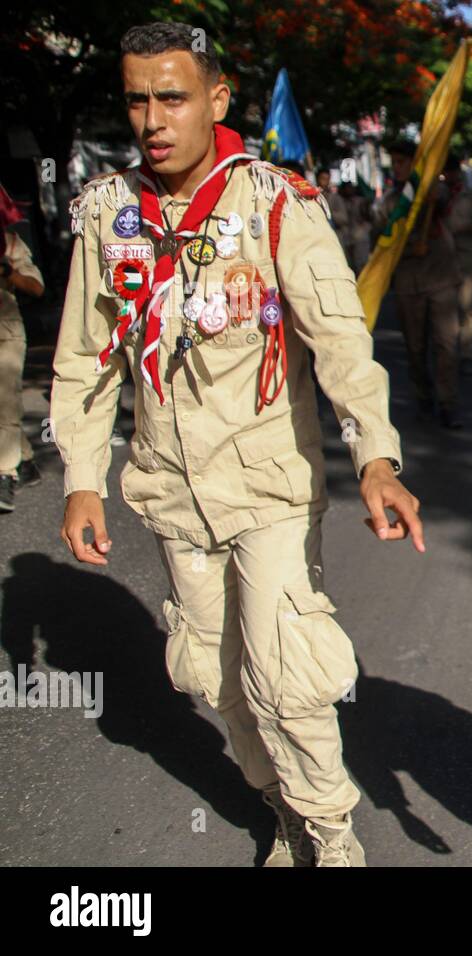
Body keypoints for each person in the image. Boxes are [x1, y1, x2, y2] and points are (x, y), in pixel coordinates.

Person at [52, 21, 425, 867]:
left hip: (268, 487)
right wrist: (83, 478)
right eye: (138, 99)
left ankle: (331, 840)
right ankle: (283, 811)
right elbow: (83, 360)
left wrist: (375, 457)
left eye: (172, 96)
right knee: (214, 677)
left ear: (216, 99)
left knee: (287, 675)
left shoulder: (273, 202)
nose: (153, 118)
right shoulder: (109, 216)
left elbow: (340, 341)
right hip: (171, 490)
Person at [384, 140, 463, 427]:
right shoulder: (390, 203)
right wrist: (407, 249)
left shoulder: (432, 191)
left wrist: (429, 191)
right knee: (415, 349)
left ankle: (448, 403)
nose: (398, 167)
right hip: (409, 284)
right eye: (394, 162)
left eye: (403, 161)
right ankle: (423, 397)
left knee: (446, 345)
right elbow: (382, 246)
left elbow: (444, 200)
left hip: (441, 278)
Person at [1, 189, 45, 513]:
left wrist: (8, 273)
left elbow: (37, 286)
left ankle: (5, 474)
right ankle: (26, 459)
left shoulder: (9, 244)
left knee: (5, 403)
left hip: (6, 334)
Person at [443, 156, 472, 377]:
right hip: (442, 257)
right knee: (445, 306)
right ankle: (448, 349)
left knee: (467, 305)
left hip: (466, 255)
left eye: (452, 172)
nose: (449, 176)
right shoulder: (440, 195)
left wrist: (459, 230)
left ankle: (467, 352)